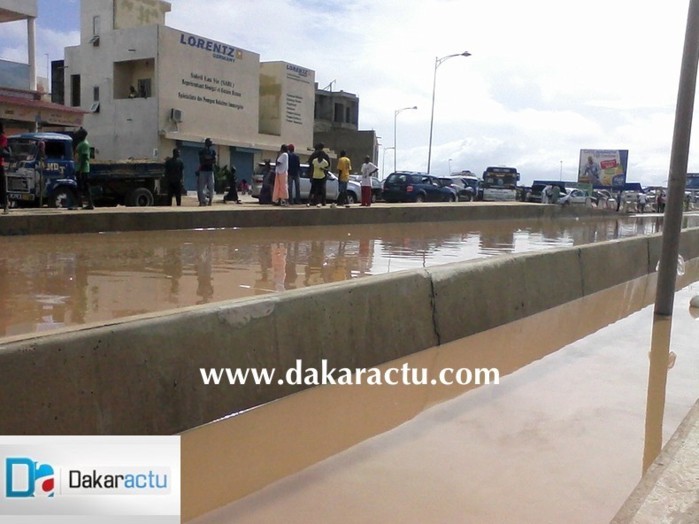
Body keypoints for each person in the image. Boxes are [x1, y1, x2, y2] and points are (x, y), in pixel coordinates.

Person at [74, 127, 95, 209]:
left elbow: (84, 157)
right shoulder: (81, 143)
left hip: (83, 169)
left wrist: (80, 169)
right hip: (79, 168)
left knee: (85, 187)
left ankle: (89, 204)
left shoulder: (85, 144)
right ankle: (79, 203)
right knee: (79, 187)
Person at [197, 138, 216, 206]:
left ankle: (210, 200)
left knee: (211, 186)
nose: (211, 143)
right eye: (210, 142)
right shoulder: (201, 151)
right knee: (201, 187)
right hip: (203, 170)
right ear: (206, 143)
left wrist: (207, 159)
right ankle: (203, 201)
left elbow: (214, 161)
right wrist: (209, 160)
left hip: (210, 171)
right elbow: (202, 161)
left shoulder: (213, 151)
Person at [0, 121, 8, 214]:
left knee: (2, 186)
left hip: (0, 165)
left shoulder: (3, 138)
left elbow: (2, 148)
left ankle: (5, 204)